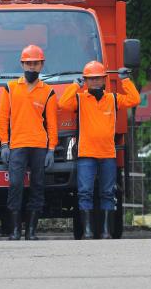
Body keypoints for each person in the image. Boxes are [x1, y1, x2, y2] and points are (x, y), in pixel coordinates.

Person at [59, 61, 140, 239]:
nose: (95, 82)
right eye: (91, 79)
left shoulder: (112, 98)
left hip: (107, 154)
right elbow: (63, 104)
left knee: (108, 193)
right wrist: (74, 86)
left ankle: (106, 232)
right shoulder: (80, 99)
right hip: (86, 154)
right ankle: (87, 231)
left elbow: (135, 99)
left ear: (104, 80)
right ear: (86, 81)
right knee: (85, 192)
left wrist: (125, 80)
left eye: (98, 79)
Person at [0, 44, 58, 240]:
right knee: (15, 185)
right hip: (17, 145)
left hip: (40, 145)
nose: (32, 67)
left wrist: (51, 149)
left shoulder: (48, 91)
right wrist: (4, 144)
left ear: (42, 65)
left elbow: (52, 124)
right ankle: (15, 230)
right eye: (28, 63)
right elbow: (3, 118)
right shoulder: (11, 87)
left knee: (38, 186)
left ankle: (31, 231)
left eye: (36, 63)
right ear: (22, 64)